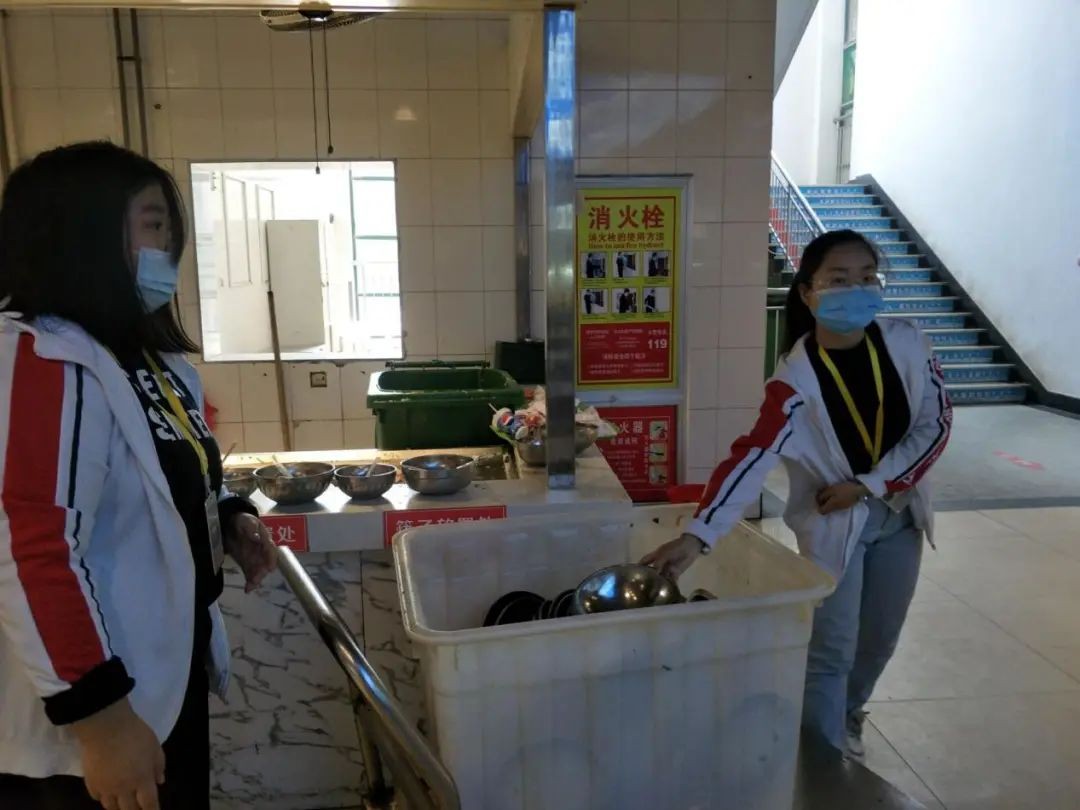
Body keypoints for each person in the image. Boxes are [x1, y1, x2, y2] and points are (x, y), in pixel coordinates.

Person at [0, 142, 278, 810]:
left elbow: (170, 474)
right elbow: (34, 550)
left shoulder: (147, 361)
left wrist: (228, 516)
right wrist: (100, 719)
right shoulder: (41, 356)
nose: (169, 250)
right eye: (154, 225)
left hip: (156, 686)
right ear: (85, 233)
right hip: (84, 726)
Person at [643, 229, 952, 760]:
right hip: (835, 523)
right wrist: (697, 536)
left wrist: (869, 485)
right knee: (832, 646)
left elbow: (937, 424)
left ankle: (848, 716)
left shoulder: (907, 342)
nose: (857, 290)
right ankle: (820, 758)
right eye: (839, 279)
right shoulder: (795, 379)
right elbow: (752, 455)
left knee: (879, 638)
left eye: (867, 277)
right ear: (808, 293)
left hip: (899, 515)